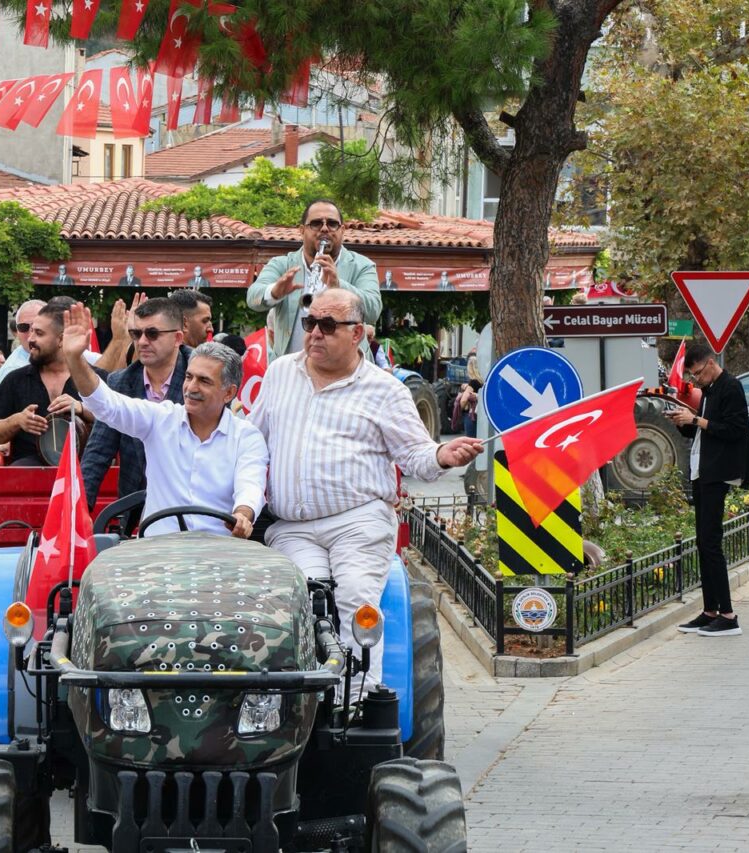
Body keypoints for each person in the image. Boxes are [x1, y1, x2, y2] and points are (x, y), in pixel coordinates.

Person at [249, 290, 481, 690]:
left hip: (358, 522)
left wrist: (443, 454)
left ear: (357, 333)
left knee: (356, 601)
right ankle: (308, 704)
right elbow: (251, 440)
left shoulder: (385, 390)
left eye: (327, 326)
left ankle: (357, 706)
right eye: (309, 324)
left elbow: (415, 453)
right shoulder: (280, 373)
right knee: (303, 606)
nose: (315, 334)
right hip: (293, 526)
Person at [62, 304, 266, 537]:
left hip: (219, 555)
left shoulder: (247, 436)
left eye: (204, 381)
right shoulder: (161, 419)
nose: (191, 388)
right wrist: (75, 359)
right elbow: (106, 405)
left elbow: (251, 485)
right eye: (189, 377)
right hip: (156, 555)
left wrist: (242, 514)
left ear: (229, 393)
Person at [669, 344, 749, 637]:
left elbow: (736, 430)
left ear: (709, 364)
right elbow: (702, 431)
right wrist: (684, 420)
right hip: (702, 472)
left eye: (696, 375)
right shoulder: (709, 392)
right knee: (703, 544)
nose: (695, 381)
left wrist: (696, 419)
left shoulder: (731, 387)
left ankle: (728, 616)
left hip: (718, 473)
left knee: (712, 543)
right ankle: (710, 611)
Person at [81, 297, 192, 509]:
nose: (142, 341)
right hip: (135, 508)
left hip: (192, 505)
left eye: (152, 334)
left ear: (178, 337)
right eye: (136, 334)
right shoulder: (120, 382)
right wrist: (78, 513)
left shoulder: (199, 376)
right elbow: (97, 454)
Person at [247, 199, 382, 357]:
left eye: (332, 224)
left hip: (347, 374)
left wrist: (338, 286)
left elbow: (373, 311)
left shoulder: (362, 265)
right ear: (302, 230)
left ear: (342, 230)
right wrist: (274, 292)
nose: (324, 229)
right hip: (293, 372)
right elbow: (253, 297)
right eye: (316, 223)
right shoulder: (282, 264)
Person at [0, 298, 98, 465]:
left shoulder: (96, 379)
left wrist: (83, 409)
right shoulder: (15, 380)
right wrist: (17, 421)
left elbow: (120, 422)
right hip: (27, 480)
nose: (30, 339)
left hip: (85, 474)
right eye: (29, 331)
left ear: (61, 339)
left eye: (39, 333)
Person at [0, 300, 47, 383]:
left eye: (38, 327)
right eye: (23, 327)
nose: (31, 334)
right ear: (17, 331)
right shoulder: (12, 371)